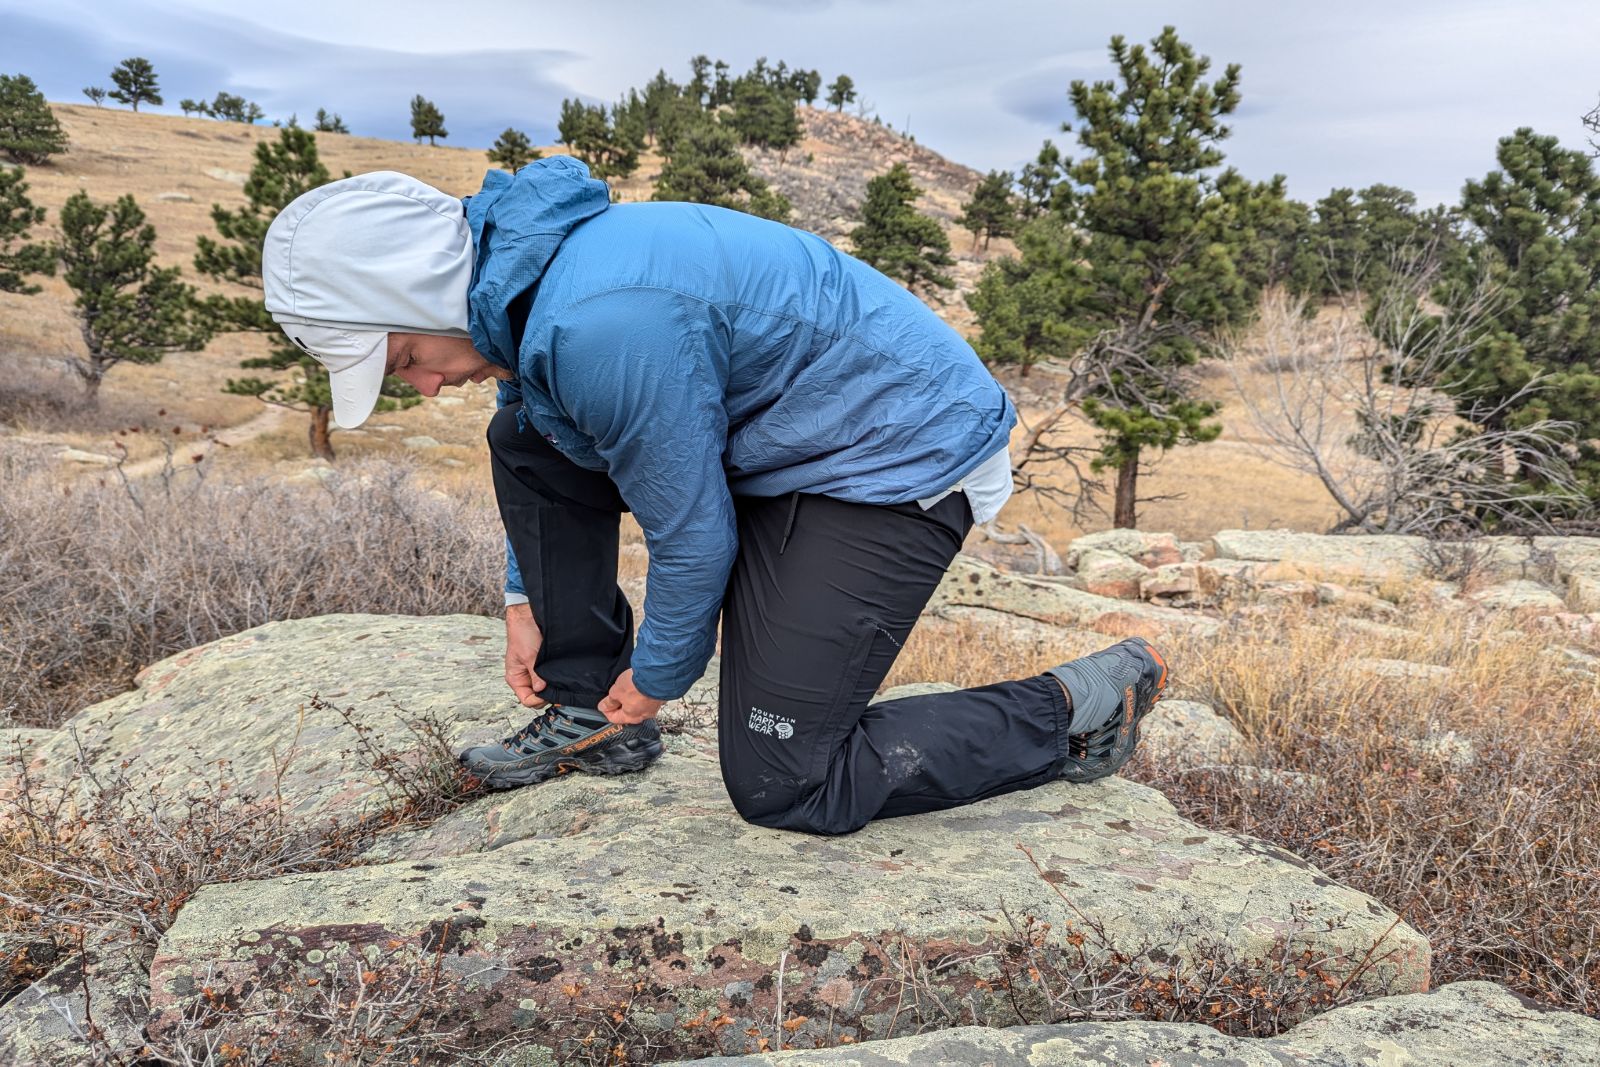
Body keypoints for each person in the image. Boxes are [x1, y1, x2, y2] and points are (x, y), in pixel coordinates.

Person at [260, 158, 1168, 837]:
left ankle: (1075, 703)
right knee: (520, 430)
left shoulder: (599, 323)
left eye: (405, 359)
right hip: (781, 441)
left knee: (787, 779)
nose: (417, 388)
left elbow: (691, 539)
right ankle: (587, 714)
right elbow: (544, 443)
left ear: (421, 297)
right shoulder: (527, 293)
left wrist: (656, 678)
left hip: (890, 457)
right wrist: (523, 598)